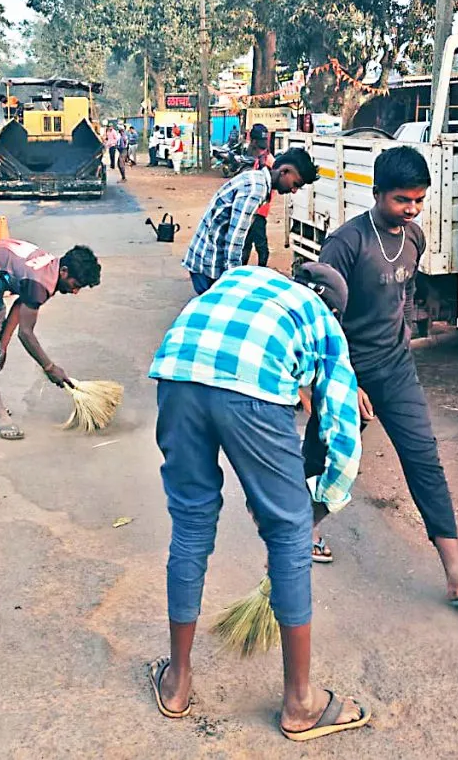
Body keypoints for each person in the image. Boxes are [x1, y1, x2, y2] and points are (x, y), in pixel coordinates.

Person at [147, 262, 370, 742]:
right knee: (290, 536)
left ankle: (177, 683)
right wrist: (320, 502)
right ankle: (301, 704)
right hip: (250, 387)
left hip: (177, 371)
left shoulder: (246, 278)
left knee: (190, 522)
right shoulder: (324, 321)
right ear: (335, 308)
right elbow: (343, 434)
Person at [305, 146, 458, 608]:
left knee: (424, 458)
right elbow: (321, 321)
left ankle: (456, 572)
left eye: (419, 199)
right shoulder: (345, 244)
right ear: (377, 192)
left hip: (397, 368)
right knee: (328, 451)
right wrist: (346, 382)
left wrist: (412, 323)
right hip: (348, 369)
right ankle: (304, 531)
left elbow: (404, 292)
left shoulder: (415, 237)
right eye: (402, 200)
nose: (412, 209)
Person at [0, 239, 101, 440]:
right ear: (64, 271)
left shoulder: (50, 270)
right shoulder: (39, 282)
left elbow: (21, 303)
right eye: (76, 285)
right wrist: (49, 368)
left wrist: (3, 346)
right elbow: (26, 333)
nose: (75, 292)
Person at [183, 148, 317, 295]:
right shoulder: (256, 189)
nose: (294, 190)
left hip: (206, 259)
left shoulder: (256, 178)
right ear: (284, 171)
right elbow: (235, 238)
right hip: (209, 265)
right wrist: (233, 282)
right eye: (295, 184)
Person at [241, 123, 274, 267]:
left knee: (256, 243)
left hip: (258, 209)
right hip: (260, 209)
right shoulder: (267, 158)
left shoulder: (264, 161)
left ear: (252, 141)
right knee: (249, 242)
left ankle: (260, 269)